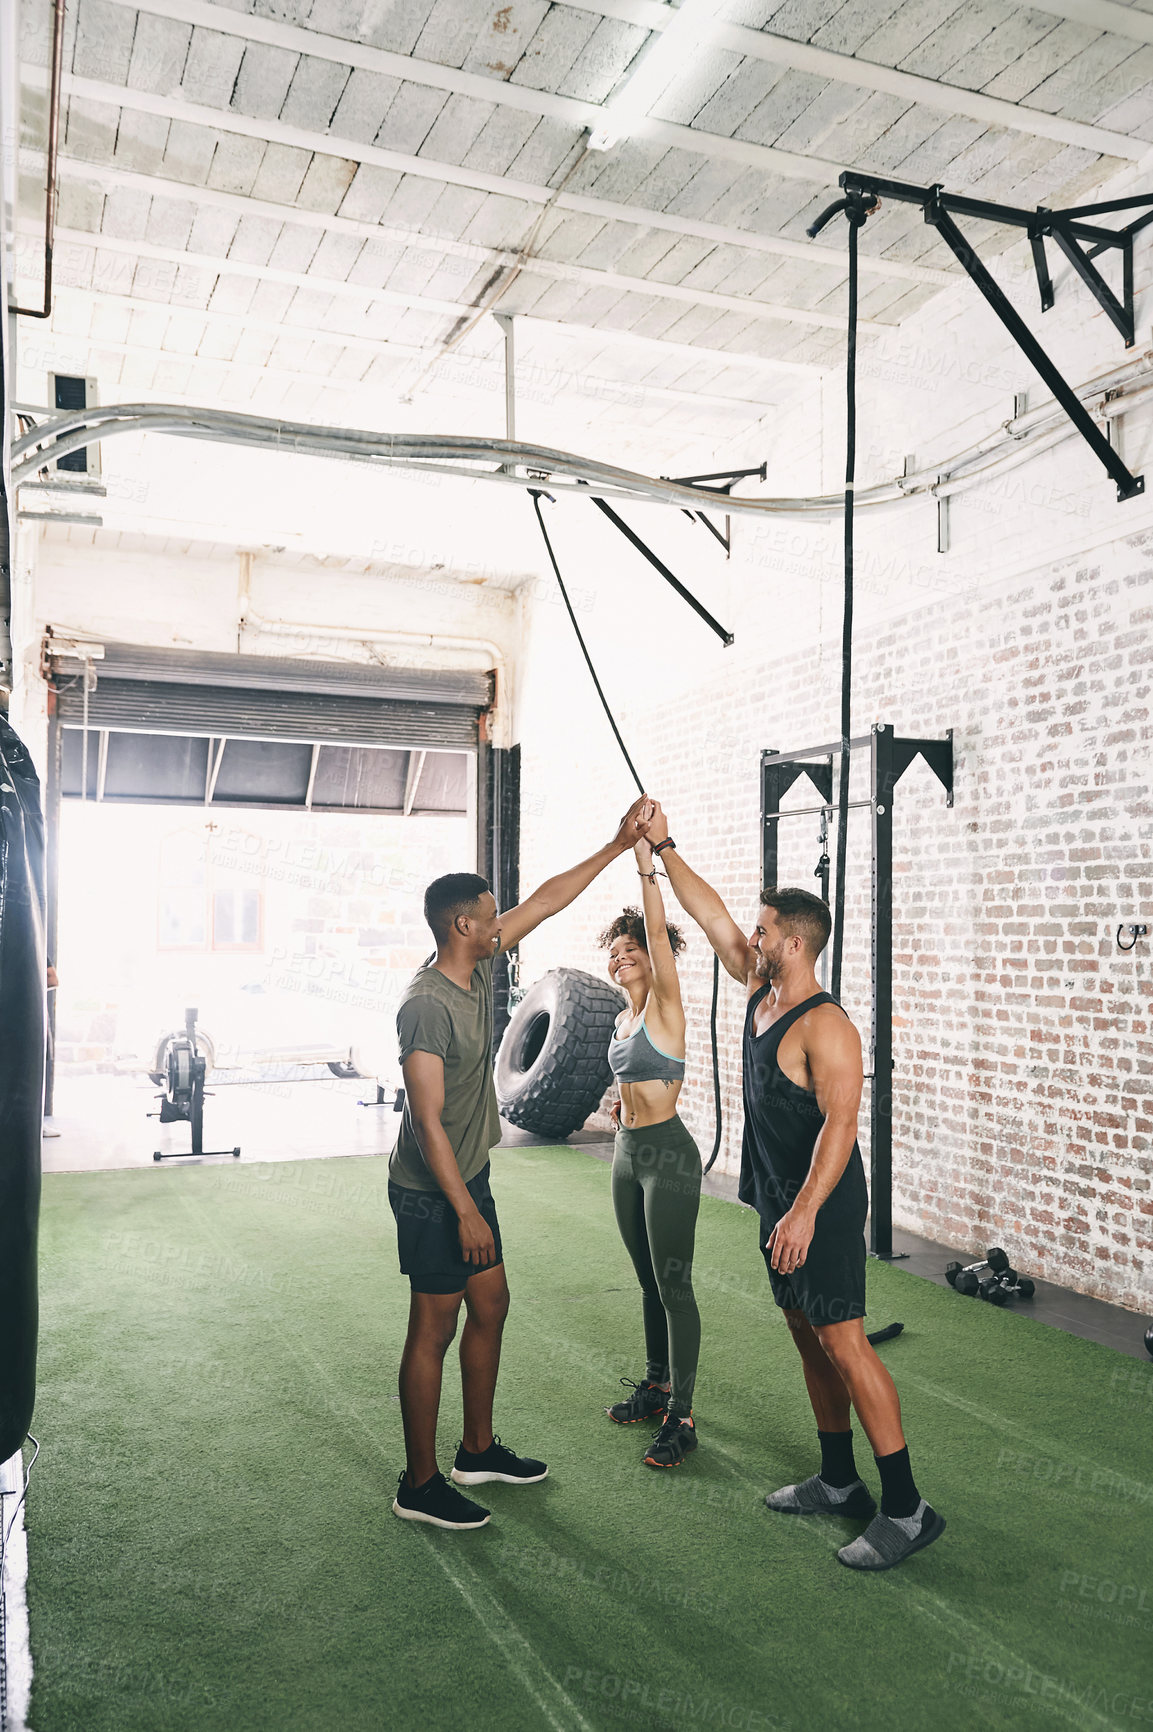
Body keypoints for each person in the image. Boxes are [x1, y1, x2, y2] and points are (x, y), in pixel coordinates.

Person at [644, 801, 945, 1571]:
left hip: (825, 1206)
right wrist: (664, 846)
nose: (751, 936)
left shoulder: (826, 1026)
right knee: (804, 1335)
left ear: (795, 942)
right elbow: (708, 914)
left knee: (844, 1342)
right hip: (778, 1200)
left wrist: (806, 1212)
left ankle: (907, 1509)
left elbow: (842, 1128)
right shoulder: (756, 988)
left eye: (764, 929)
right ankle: (840, 1480)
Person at [389, 794, 653, 1531]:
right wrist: (464, 1208)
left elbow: (544, 899)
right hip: (430, 1191)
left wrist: (612, 842)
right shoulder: (425, 1005)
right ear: (462, 925)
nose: (503, 919)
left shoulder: (479, 963)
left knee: (492, 1304)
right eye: (490, 912)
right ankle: (418, 1483)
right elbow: (425, 1118)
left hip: (469, 1177)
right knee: (432, 1330)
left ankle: (476, 1450)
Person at [599, 821, 701, 1468]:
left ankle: (682, 1416)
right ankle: (655, 1383)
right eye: (613, 950)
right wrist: (619, 1101)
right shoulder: (619, 1017)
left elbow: (659, 934)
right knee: (644, 1281)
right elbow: (631, 1076)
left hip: (667, 1155)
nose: (622, 955)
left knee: (674, 1286)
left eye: (630, 945)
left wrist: (645, 865)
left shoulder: (666, 1001)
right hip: (626, 1155)